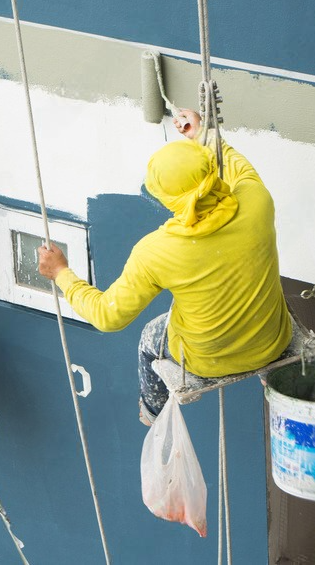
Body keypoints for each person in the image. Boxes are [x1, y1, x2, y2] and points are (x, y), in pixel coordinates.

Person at [37, 109, 291, 424]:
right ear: (211, 170)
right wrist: (201, 134)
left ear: (167, 199)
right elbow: (233, 160)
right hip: (272, 341)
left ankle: (152, 412)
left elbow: (107, 316)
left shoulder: (156, 251)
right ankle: (271, 374)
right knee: (267, 284)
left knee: (149, 337)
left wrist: (61, 273)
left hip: (205, 362)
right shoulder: (256, 199)